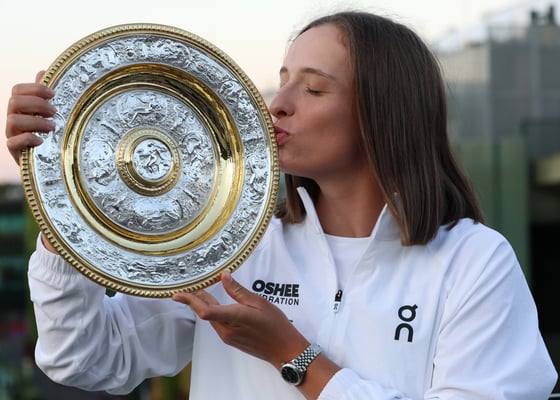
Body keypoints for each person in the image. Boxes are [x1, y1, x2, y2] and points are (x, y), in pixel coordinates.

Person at [5, 10, 557, 400]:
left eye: (313, 90)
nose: (277, 105)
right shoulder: (229, 246)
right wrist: (64, 197)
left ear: (383, 114)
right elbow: (86, 359)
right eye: (283, 81)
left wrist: (293, 355)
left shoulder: (472, 261)